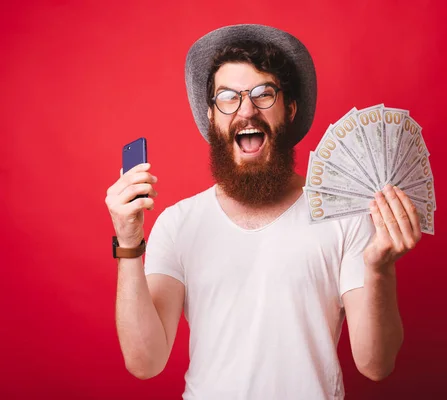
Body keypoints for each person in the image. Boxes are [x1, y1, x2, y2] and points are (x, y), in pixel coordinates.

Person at [104, 24, 422, 400]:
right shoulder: (178, 224)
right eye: (228, 98)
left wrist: (380, 269)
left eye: (263, 94)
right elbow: (146, 362)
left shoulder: (345, 217)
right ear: (211, 117)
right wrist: (128, 244)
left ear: (288, 110)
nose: (246, 110)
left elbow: (376, 364)